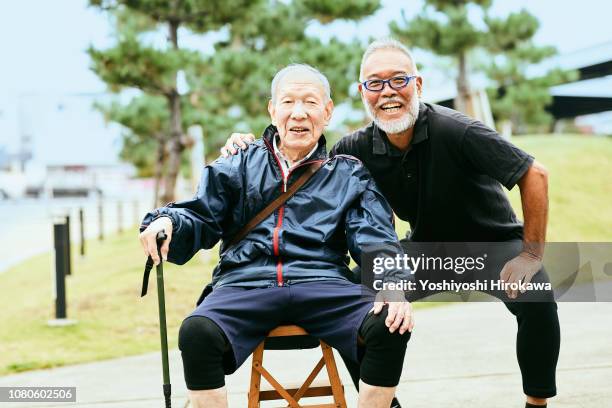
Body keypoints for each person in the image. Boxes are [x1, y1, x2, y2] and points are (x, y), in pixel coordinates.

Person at [221, 38, 560, 408]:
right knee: (347, 299)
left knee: (537, 294)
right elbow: (305, 163)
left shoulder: (457, 130)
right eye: (374, 83)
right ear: (362, 92)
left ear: (418, 84)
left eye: (398, 80)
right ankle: (384, 402)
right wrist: (250, 146)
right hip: (423, 251)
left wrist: (530, 254)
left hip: (491, 247)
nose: (387, 92)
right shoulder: (354, 148)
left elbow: (534, 175)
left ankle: (536, 403)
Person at [139, 63, 414, 408]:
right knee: (197, 333)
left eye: (311, 103)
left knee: (390, 321)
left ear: (327, 112)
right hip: (244, 282)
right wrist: (168, 221)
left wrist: (391, 281)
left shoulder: (348, 173)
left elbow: (375, 235)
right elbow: (200, 214)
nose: (298, 113)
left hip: (323, 282)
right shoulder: (237, 163)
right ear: (272, 109)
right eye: (288, 102)